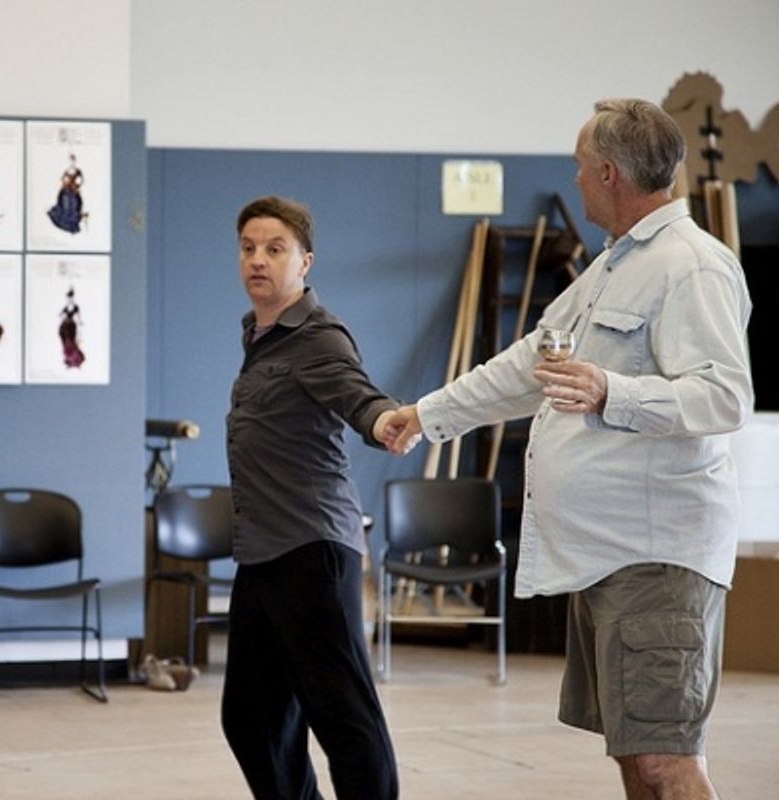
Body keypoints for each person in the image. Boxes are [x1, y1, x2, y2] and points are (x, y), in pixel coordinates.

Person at [382, 99, 753, 800]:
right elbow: (532, 365)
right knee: (635, 755)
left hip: (658, 558)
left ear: (609, 172)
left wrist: (613, 391)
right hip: (608, 557)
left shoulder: (692, 266)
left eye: (581, 168)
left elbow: (723, 398)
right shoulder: (615, 267)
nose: (575, 181)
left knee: (666, 760)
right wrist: (429, 415)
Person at [223, 195, 402, 799]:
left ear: (306, 262)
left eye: (275, 249)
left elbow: (357, 395)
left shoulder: (318, 337)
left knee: (344, 719)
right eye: (249, 248)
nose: (258, 260)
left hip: (312, 551)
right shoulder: (259, 334)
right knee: (251, 717)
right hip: (262, 552)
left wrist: (381, 422)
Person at [47, 152, 85, 233]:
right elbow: (63, 179)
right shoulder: (67, 171)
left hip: (73, 193)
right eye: (71, 160)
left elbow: (80, 180)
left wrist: (76, 186)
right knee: (65, 204)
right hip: (66, 192)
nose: (72, 162)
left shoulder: (78, 171)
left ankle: (71, 222)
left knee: (73, 206)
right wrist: (65, 183)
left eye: (73, 160)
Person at [58, 286, 85, 368]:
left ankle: (73, 361)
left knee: (71, 340)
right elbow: (61, 315)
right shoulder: (65, 307)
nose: (70, 300)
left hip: (71, 325)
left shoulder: (76, 307)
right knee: (66, 340)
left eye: (71, 298)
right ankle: (69, 361)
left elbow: (79, 317)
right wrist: (62, 317)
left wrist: (80, 323)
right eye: (68, 298)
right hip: (65, 325)